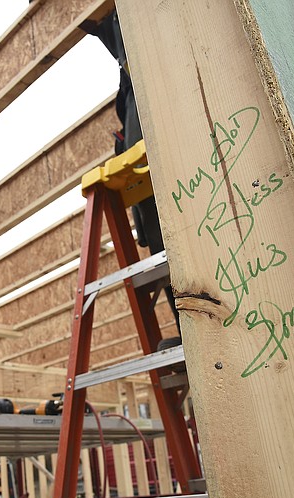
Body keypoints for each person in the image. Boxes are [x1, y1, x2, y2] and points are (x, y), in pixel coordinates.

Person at [83, 10, 181, 348]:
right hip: (150, 198)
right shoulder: (130, 85)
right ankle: (190, 333)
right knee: (165, 253)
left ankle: (196, 331)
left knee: (176, 248)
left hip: (169, 188)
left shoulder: (150, 74)